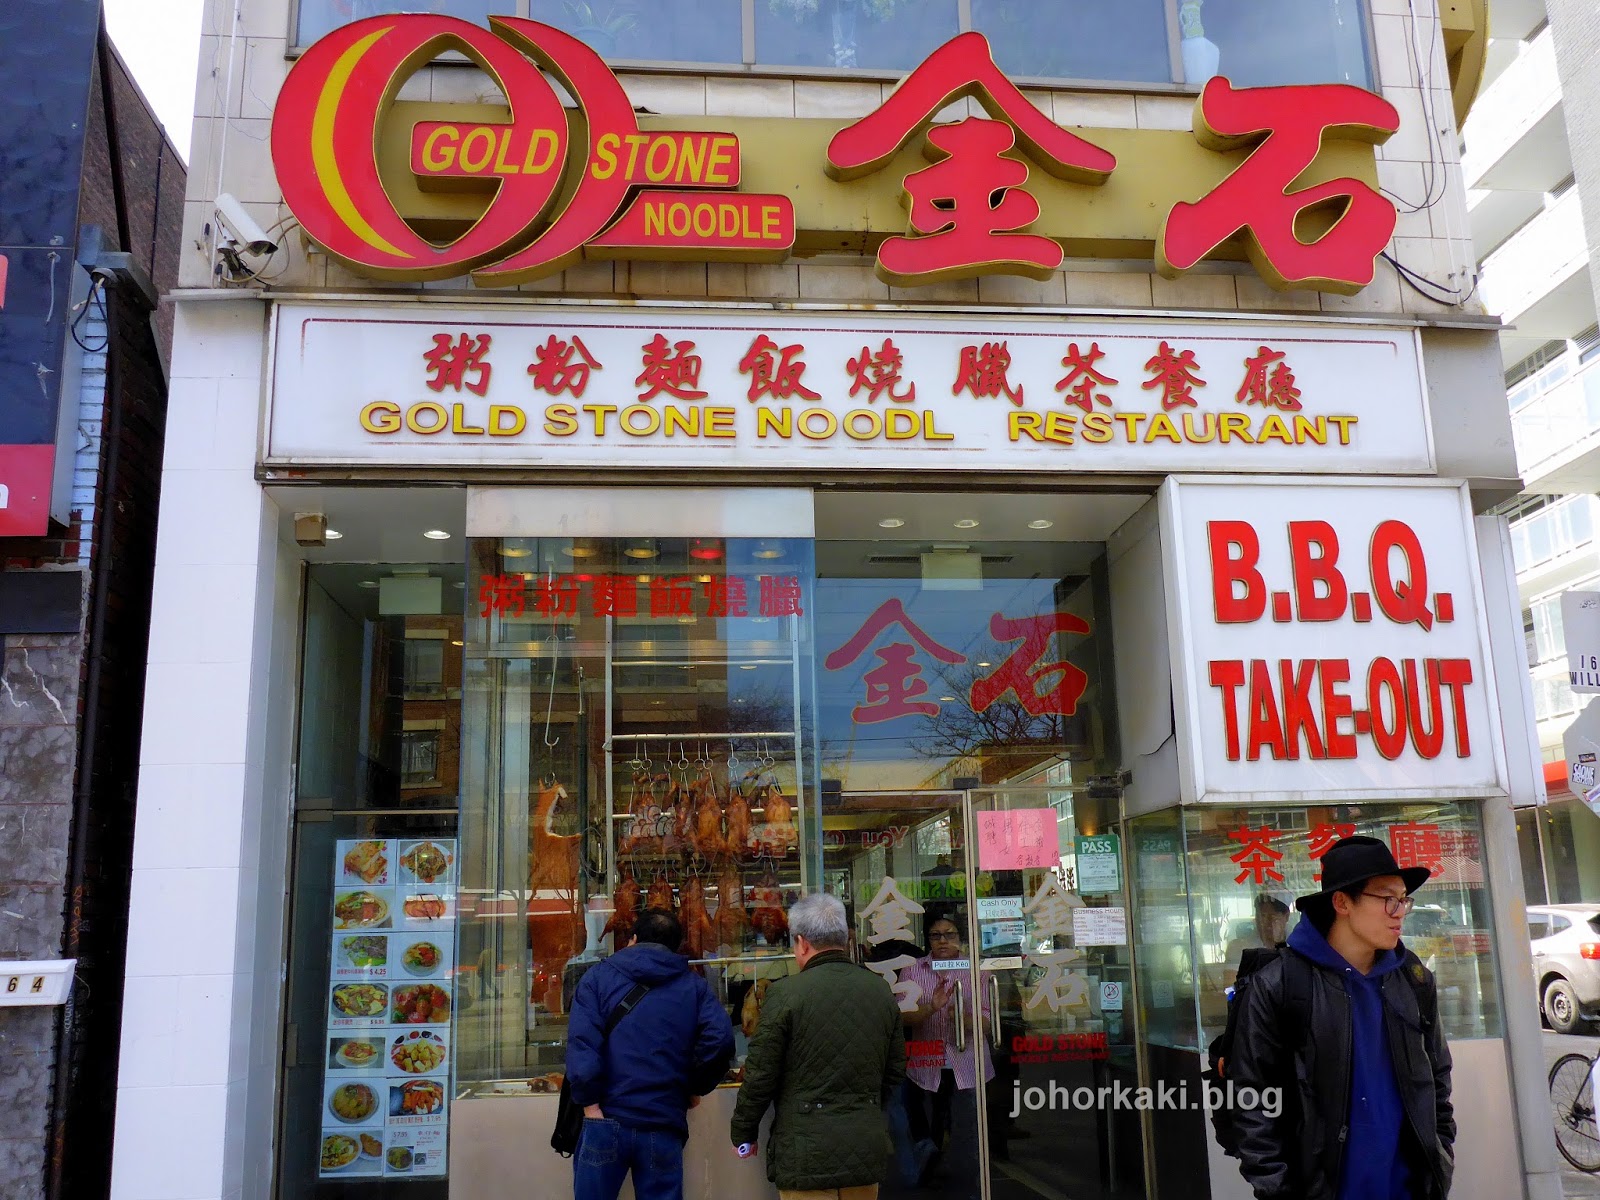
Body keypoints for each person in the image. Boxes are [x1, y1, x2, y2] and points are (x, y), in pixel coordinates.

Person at [1226, 836, 1455, 1200]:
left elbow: (1437, 1077)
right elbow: (1252, 1097)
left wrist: (1440, 1152)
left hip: (1409, 1189)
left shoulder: (1412, 979)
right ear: (1341, 902)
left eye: (1403, 900)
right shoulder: (1283, 985)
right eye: (1386, 899)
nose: (1399, 912)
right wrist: (1277, 1190)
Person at [730, 891, 907, 1200]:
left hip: (805, 1153)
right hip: (864, 1147)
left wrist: (744, 1132)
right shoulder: (879, 990)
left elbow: (760, 1075)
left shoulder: (785, 994)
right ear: (843, 938)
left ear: (802, 943)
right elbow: (894, 1071)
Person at [566, 908, 736, 1200]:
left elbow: (582, 1044)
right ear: (675, 946)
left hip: (605, 1119)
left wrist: (591, 1107)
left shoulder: (597, 980)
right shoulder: (693, 986)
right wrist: (693, 1086)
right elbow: (719, 1041)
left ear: (631, 939)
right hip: (663, 1123)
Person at [898, 910, 993, 1187]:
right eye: (935, 935)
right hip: (927, 1062)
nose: (942, 941)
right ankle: (930, 1175)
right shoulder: (913, 969)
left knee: (966, 1132)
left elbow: (989, 1021)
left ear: (961, 938)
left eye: (949, 935)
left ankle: (969, 1181)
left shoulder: (978, 969)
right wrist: (931, 1008)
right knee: (927, 1127)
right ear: (927, 939)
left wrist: (961, 1017)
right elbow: (901, 1016)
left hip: (967, 1062)